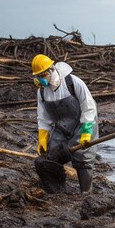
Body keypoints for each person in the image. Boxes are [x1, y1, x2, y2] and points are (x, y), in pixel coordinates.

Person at [32, 54, 99, 193]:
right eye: (37, 76)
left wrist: (86, 131)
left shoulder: (73, 82)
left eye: (42, 75)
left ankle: (86, 193)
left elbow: (88, 106)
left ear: (51, 70)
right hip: (62, 127)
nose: (40, 79)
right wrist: (43, 138)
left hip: (82, 123)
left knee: (83, 159)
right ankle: (56, 190)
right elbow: (43, 118)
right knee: (51, 157)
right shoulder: (42, 92)